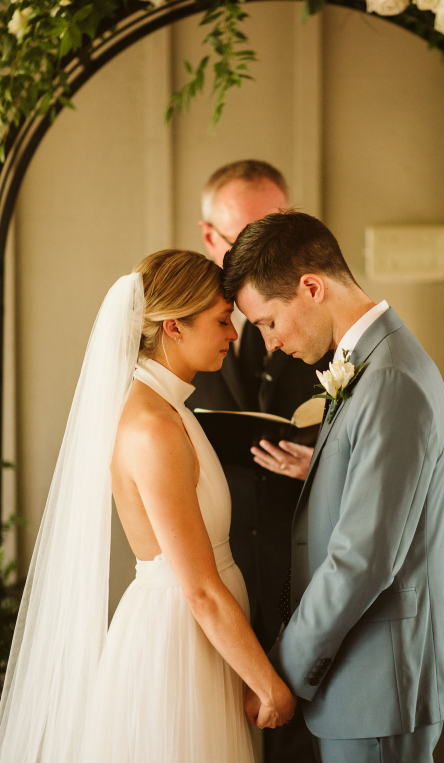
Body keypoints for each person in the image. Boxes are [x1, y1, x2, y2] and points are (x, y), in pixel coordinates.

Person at [0, 251, 294, 762]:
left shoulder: (170, 407)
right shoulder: (152, 428)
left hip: (205, 637)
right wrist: (269, 684)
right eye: (223, 320)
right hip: (178, 643)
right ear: (174, 326)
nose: (233, 334)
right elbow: (199, 588)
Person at [222, 211, 444, 763]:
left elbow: (363, 558)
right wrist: (327, 468)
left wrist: (277, 672)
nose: (270, 343)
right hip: (364, 683)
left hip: (377, 684)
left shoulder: (390, 378)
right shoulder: (371, 363)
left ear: (311, 287)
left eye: (267, 322)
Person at [191, 160, 327, 762]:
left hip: (307, 589)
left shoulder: (323, 320)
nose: (258, 250)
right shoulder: (176, 332)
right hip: (212, 592)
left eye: (272, 229)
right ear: (209, 238)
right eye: (242, 236)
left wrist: (319, 467)